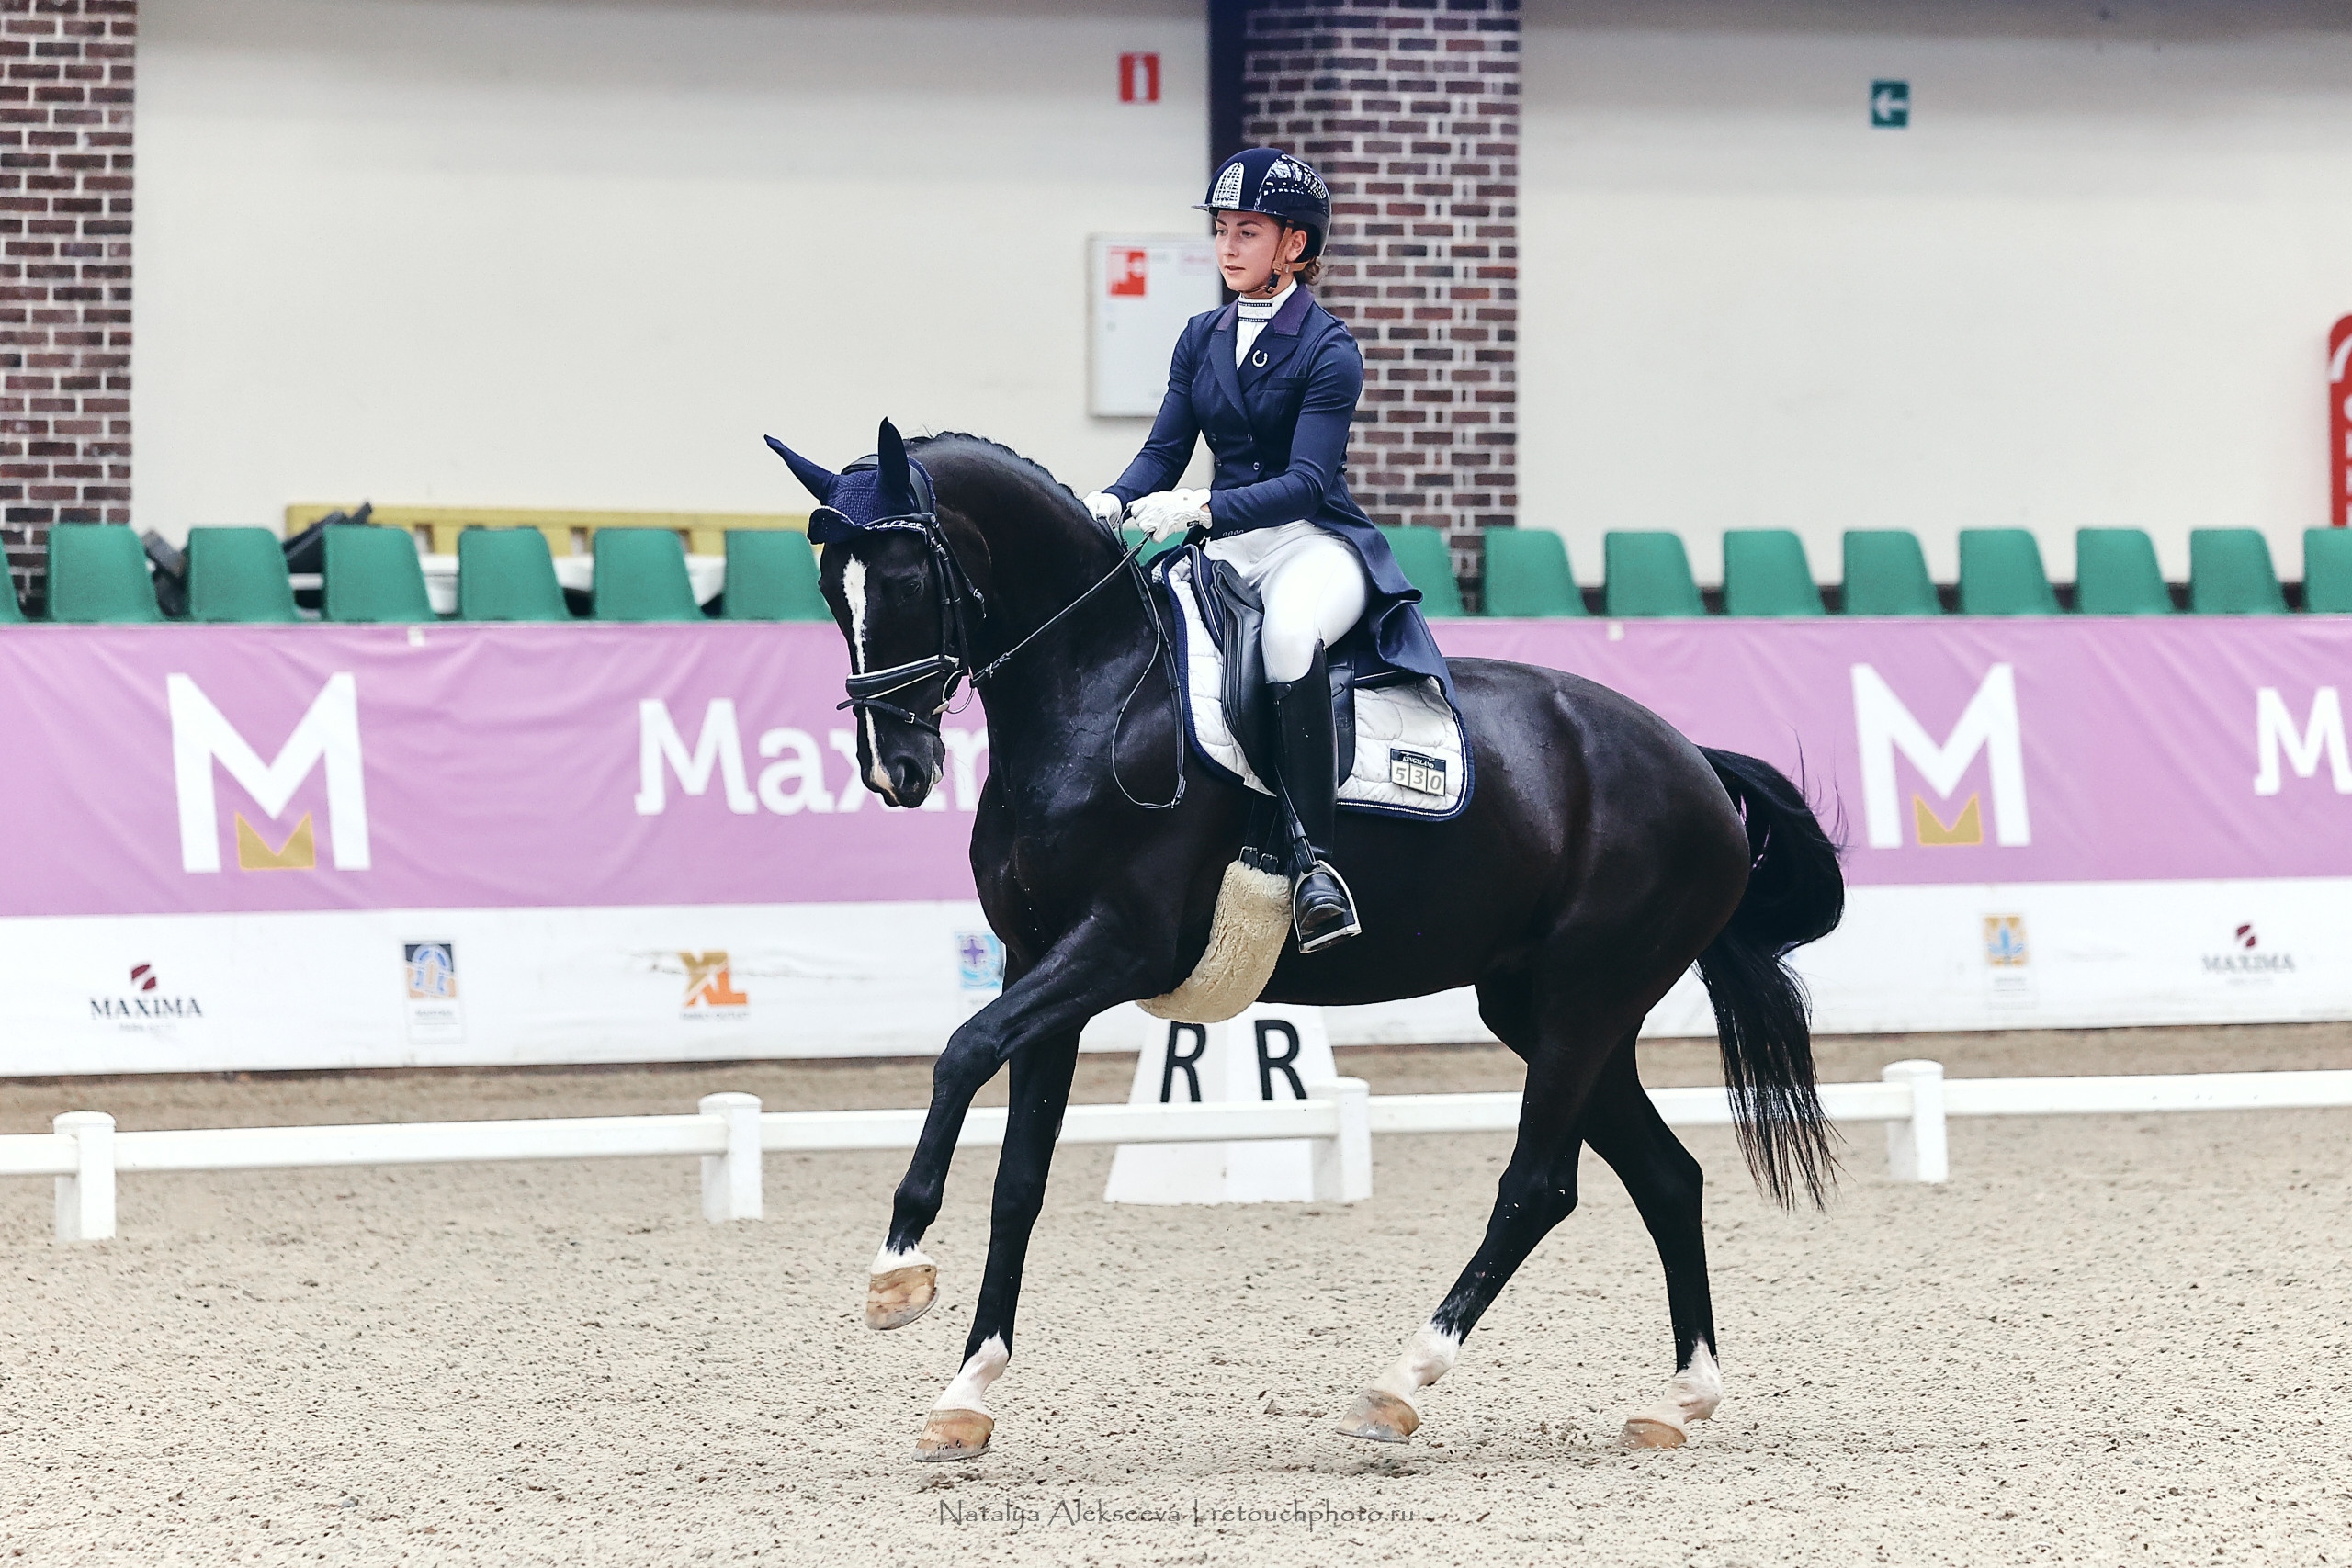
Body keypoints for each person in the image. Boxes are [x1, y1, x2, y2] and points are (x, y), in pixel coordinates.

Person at [1084, 148, 1455, 955]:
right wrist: (1111, 498)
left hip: (1312, 542)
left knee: (1288, 637)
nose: (1227, 248)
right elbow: (1163, 451)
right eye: (1221, 230)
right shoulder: (1200, 335)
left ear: (1293, 244)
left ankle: (1315, 863)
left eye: (1246, 231)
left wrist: (1202, 507)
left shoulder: (1330, 349)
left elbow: (1305, 483)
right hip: (1223, 539)